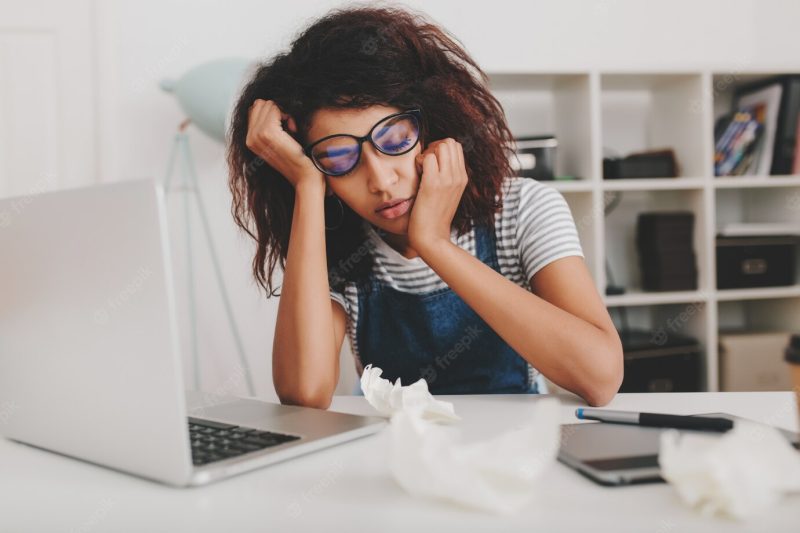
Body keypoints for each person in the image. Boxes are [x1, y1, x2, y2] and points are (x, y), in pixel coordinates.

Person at [227, 5, 623, 408]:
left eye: (395, 139)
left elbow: (600, 377)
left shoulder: (525, 209)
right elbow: (304, 392)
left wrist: (434, 243)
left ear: (435, 129)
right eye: (338, 158)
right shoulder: (332, 242)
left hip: (516, 450)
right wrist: (308, 187)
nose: (381, 181)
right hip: (397, 455)